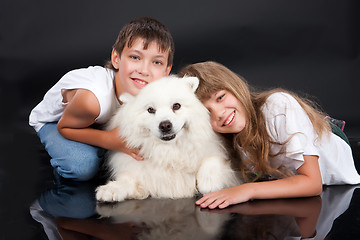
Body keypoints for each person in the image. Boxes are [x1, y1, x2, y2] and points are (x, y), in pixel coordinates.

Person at [178, 61, 360, 209]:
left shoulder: (277, 106)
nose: (219, 113)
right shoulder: (228, 137)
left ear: (235, 86)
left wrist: (247, 190)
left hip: (333, 142)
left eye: (220, 97)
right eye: (207, 113)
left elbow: (312, 183)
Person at [29, 17, 174, 181]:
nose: (144, 70)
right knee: (82, 166)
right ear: (116, 58)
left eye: (156, 62)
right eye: (135, 57)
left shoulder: (156, 92)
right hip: (60, 123)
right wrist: (109, 140)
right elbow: (65, 127)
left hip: (95, 122)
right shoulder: (92, 100)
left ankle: (101, 147)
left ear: (166, 71)